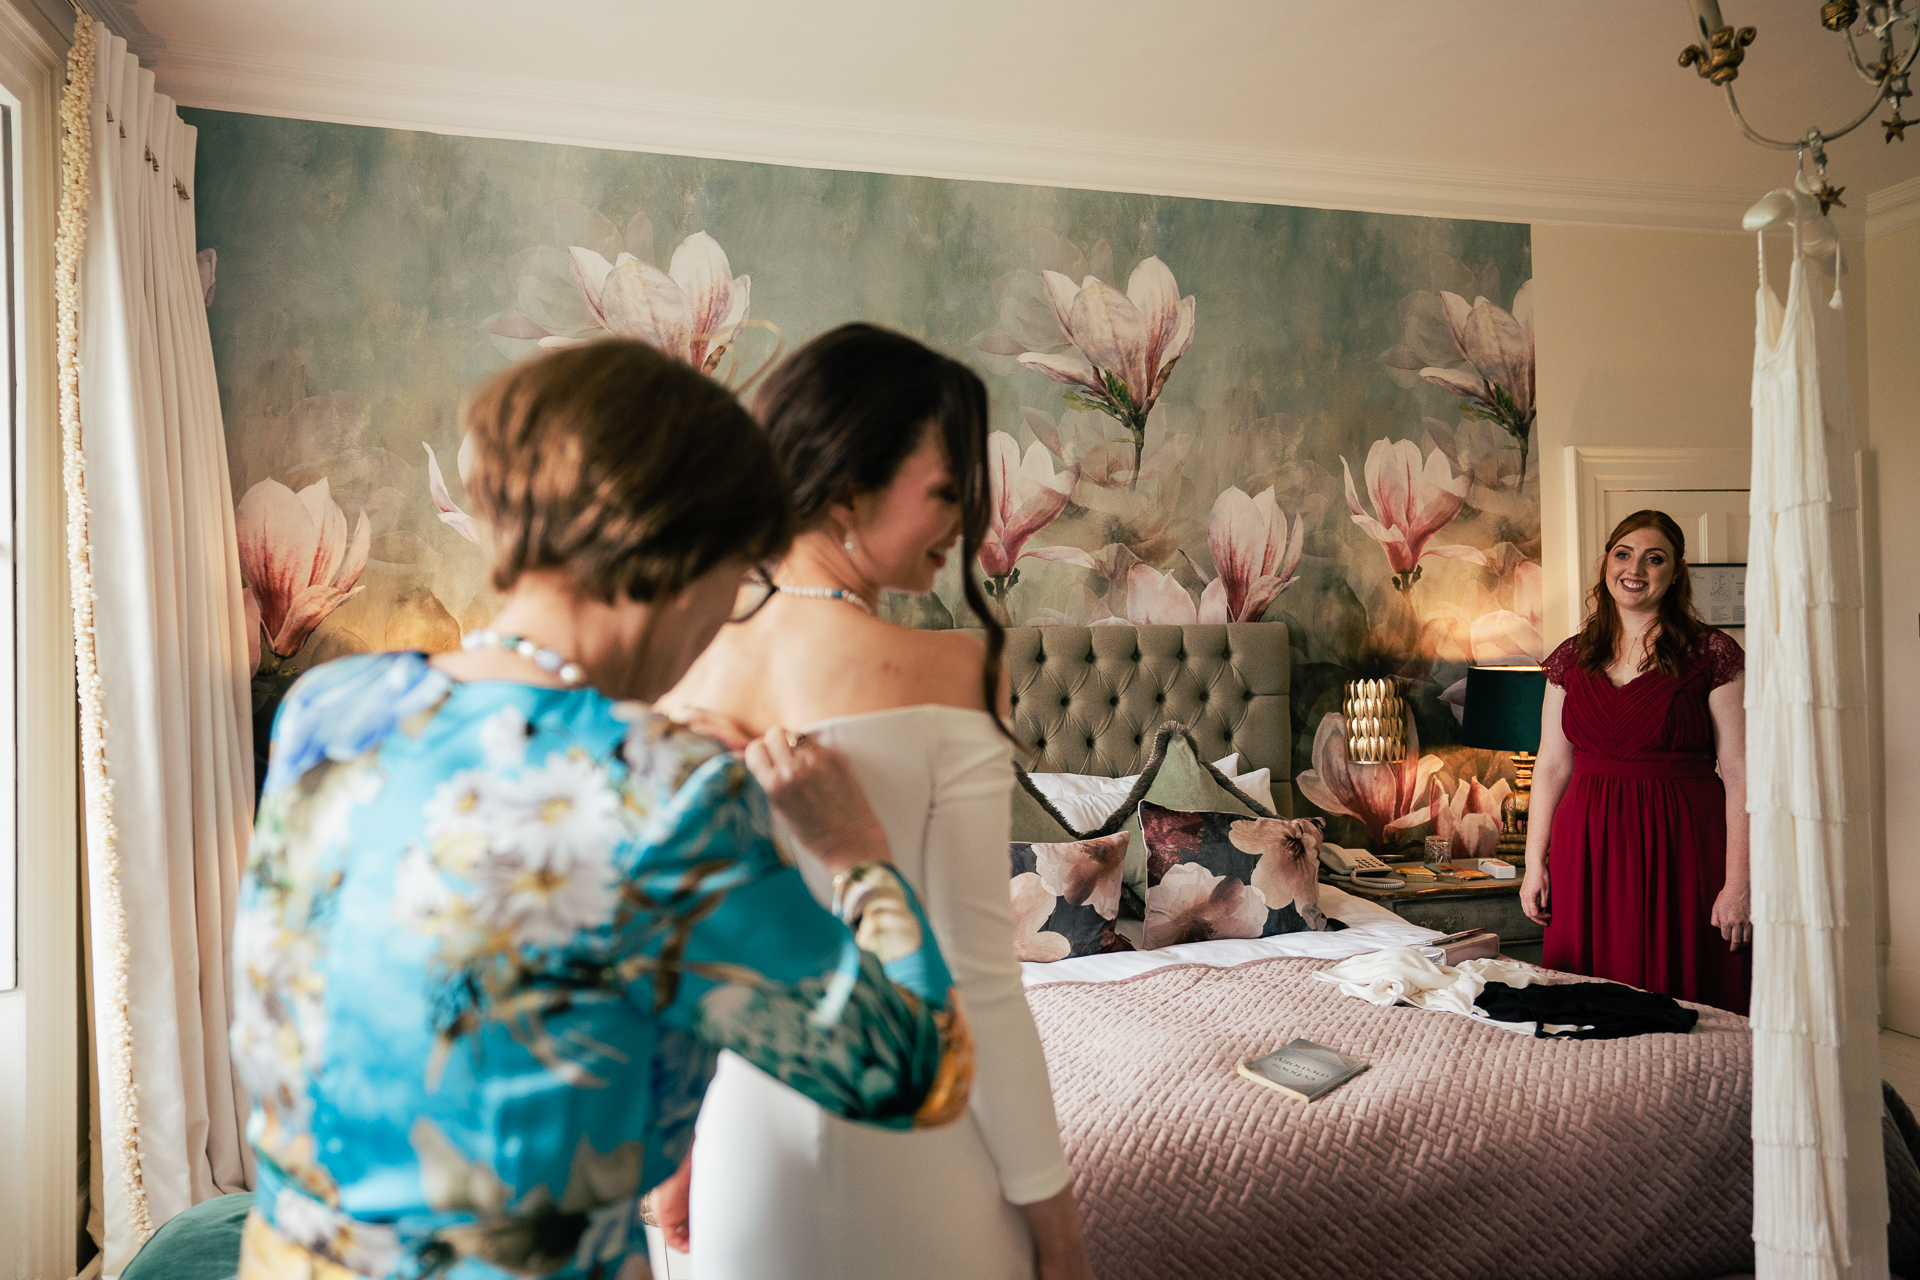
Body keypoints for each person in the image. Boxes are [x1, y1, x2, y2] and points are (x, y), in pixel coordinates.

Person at [223, 339, 974, 1280]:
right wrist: (859, 852)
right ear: (681, 555)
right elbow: (914, 1071)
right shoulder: (666, 791)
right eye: (742, 574)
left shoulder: (331, 710)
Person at [658, 323, 1096, 1280]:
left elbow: (674, 961)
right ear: (847, 486)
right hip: (916, 1154)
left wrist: (674, 1153)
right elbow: (980, 977)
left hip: (738, 1154)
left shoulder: (681, 662)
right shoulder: (951, 668)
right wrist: (1058, 1228)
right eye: (946, 492)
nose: (966, 525)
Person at [1519, 508, 1751, 1015]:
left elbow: (1741, 775)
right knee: (1585, 1000)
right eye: (1624, 554)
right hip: (1586, 844)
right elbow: (1552, 766)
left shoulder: (1712, 653)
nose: (1636, 569)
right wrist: (1534, 861)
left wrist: (1739, 883)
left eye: (1654, 558)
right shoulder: (1571, 657)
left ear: (1674, 573)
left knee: (1692, 997)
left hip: (1685, 842)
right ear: (1607, 563)